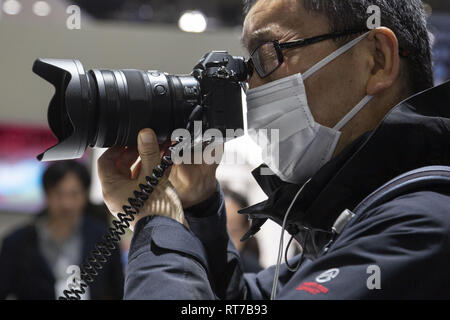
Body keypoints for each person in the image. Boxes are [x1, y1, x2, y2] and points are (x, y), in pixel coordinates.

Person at [97, 0, 450, 299]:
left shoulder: (422, 227)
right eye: (248, 64)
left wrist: (156, 218)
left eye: (270, 53)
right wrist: (198, 208)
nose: (250, 85)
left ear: (376, 59)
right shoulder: (344, 224)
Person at [0, 161, 124, 300]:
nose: (67, 203)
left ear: (85, 194)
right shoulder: (17, 242)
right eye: (59, 193)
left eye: (74, 194)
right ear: (46, 193)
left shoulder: (104, 239)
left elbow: (118, 290)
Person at [223, 188, 262, 273]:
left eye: (234, 231)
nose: (224, 241)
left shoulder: (256, 276)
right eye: (218, 230)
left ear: (246, 231)